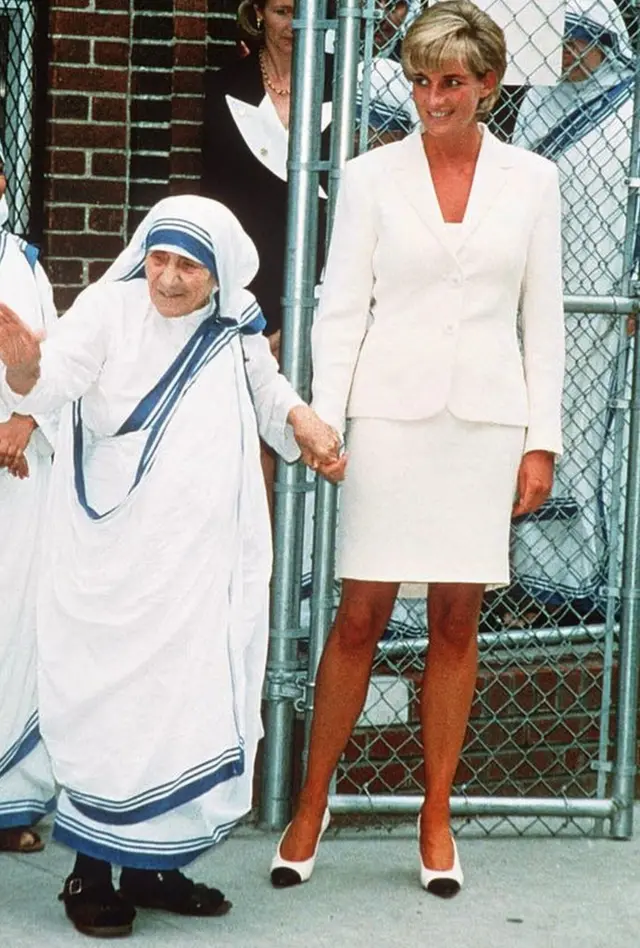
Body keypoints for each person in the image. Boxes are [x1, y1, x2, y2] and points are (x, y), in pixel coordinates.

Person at [270, 0, 564, 897]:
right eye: (419, 81)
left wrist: (539, 442)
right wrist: (324, 416)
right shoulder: (366, 177)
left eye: (452, 82)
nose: (433, 98)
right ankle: (310, 804)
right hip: (388, 422)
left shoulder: (533, 181)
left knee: (455, 622)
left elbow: (541, 321)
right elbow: (338, 305)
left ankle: (436, 819)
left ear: (488, 84)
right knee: (358, 617)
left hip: (483, 425)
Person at [0, 194, 342, 938]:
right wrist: (24, 371)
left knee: (181, 703)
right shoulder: (107, 310)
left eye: (189, 265)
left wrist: (302, 422)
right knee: (109, 702)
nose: (169, 278)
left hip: (197, 562)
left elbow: (264, 387)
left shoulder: (234, 322)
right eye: (159, 258)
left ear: (219, 273)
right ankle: (89, 871)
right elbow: (55, 381)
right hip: (113, 564)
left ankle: (153, 867)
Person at [507, 0, 634, 624]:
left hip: (611, 306)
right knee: (540, 433)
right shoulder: (535, 103)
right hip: (540, 303)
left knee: (601, 440)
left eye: (573, 40)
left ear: (602, 39)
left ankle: (599, 586)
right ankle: (539, 583)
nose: (560, 54)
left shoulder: (632, 109)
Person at [201, 0, 334, 514]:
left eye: (306, 13)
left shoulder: (346, 87)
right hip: (246, 292)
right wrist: (259, 322)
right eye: (282, 11)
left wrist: (310, 312)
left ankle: (306, 583)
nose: (294, 27)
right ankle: (263, 579)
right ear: (257, 14)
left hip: (325, 287)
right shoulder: (224, 86)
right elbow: (216, 202)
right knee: (252, 434)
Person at [0, 147, 57, 855]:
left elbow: (54, 353)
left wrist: (27, 417)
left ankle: (9, 800)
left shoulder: (23, 262)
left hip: (15, 467)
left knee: (14, 623)